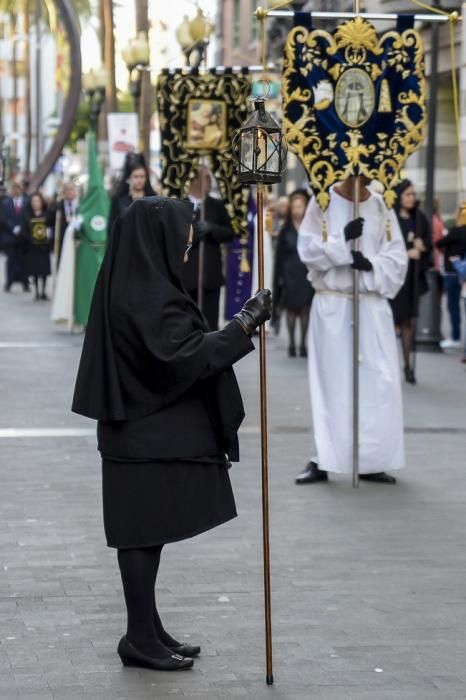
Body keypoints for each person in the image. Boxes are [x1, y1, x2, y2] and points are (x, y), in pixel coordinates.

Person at [72, 196, 272, 671]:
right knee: (140, 535)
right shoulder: (142, 295)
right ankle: (139, 638)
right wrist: (243, 324)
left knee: (149, 532)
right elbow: (181, 357)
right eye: (182, 241)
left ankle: (148, 628)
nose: (186, 250)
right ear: (155, 240)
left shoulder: (141, 283)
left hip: (145, 434)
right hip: (141, 436)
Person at [295, 176, 408, 485]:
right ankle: (323, 458)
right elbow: (307, 250)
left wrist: (369, 265)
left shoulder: (382, 206)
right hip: (333, 305)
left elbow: (397, 257)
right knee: (331, 383)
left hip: (370, 304)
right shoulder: (322, 204)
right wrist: (342, 244)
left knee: (378, 382)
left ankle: (372, 459)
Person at [182, 166, 235, 330]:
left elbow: (229, 233)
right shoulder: (180, 204)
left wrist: (212, 228)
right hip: (186, 277)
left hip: (210, 276)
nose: (210, 181)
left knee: (210, 325)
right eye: (206, 178)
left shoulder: (217, 205)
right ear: (195, 180)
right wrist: (193, 233)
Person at [390, 180, 431, 384]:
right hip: (393, 279)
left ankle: (407, 365)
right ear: (399, 196)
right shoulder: (391, 218)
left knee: (407, 322)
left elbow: (429, 247)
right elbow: (385, 248)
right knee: (390, 321)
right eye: (407, 194)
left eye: (413, 194)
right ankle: (387, 364)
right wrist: (406, 253)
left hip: (411, 280)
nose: (412, 198)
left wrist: (422, 248)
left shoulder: (420, 219)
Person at [273, 189, 313, 357]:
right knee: (291, 309)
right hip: (290, 273)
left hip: (305, 272)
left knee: (304, 309)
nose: (297, 210)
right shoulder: (285, 230)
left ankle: (302, 343)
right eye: (294, 207)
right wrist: (279, 278)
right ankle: (291, 343)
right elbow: (279, 257)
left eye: (300, 206)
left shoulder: (311, 227)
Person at [436, 206, 466, 354]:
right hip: (460, 274)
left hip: (454, 273)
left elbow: (439, 243)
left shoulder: (455, 231)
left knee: (453, 306)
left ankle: (455, 337)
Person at [108, 153, 155, 238]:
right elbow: (112, 227)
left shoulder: (154, 198)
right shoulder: (118, 199)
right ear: (129, 178)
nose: (139, 180)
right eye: (136, 177)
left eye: (142, 176)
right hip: (125, 244)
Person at [1, 181, 30, 292]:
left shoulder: (26, 202)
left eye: (18, 188)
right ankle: (9, 282)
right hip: (10, 236)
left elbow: (27, 217)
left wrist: (21, 229)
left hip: (23, 237)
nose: (16, 191)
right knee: (11, 261)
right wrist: (14, 228)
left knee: (23, 261)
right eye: (14, 188)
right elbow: (4, 218)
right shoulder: (5, 203)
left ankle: (25, 283)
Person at [24, 192, 53, 300]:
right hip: (33, 247)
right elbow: (24, 229)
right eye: (33, 201)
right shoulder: (27, 214)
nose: (35, 203)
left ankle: (43, 291)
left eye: (37, 201)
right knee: (35, 270)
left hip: (44, 247)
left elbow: (51, 225)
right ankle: (36, 291)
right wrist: (29, 238)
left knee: (44, 270)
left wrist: (49, 235)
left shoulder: (47, 213)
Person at [52, 182, 80, 262]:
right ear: (63, 192)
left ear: (75, 191)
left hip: (76, 241)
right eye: (66, 190)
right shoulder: (58, 206)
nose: (69, 192)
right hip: (62, 242)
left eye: (71, 189)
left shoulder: (81, 206)